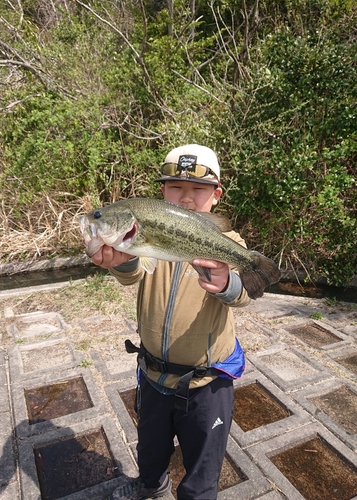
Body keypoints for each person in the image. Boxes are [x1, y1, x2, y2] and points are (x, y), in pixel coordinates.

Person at [91, 144, 251, 500]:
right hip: (152, 375)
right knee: (149, 450)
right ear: (162, 191)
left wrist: (227, 283)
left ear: (216, 195)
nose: (187, 198)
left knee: (202, 471)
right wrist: (120, 258)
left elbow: (242, 294)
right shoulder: (145, 234)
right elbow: (131, 273)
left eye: (198, 190)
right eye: (176, 187)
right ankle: (151, 486)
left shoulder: (228, 242)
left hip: (208, 383)